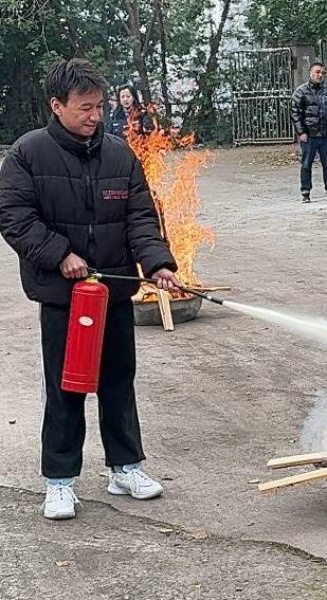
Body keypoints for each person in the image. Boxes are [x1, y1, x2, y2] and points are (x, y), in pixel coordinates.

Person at [0, 58, 181, 520]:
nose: (96, 116)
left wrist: (157, 263)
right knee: (67, 386)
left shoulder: (120, 154)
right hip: (63, 296)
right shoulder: (27, 154)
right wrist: (60, 254)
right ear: (56, 105)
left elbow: (140, 217)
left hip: (114, 290)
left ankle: (126, 468)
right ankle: (59, 482)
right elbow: (15, 217)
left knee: (119, 380)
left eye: (100, 106)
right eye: (85, 107)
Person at [290, 61, 327, 203]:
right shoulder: (301, 92)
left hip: (326, 135)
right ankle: (305, 192)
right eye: (317, 72)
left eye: (323, 73)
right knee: (306, 164)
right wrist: (301, 132)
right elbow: (295, 113)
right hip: (309, 135)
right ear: (310, 73)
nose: (320, 75)